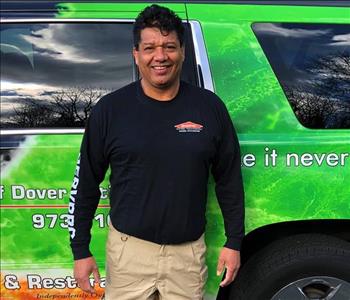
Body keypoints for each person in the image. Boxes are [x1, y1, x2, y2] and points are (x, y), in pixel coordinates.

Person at [68, 4, 244, 300]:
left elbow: (229, 181)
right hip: (128, 254)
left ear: (183, 52)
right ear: (136, 54)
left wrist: (234, 242)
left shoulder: (210, 108)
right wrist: (80, 250)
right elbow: (86, 184)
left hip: (187, 257)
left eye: (169, 46)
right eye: (149, 47)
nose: (160, 56)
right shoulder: (110, 111)